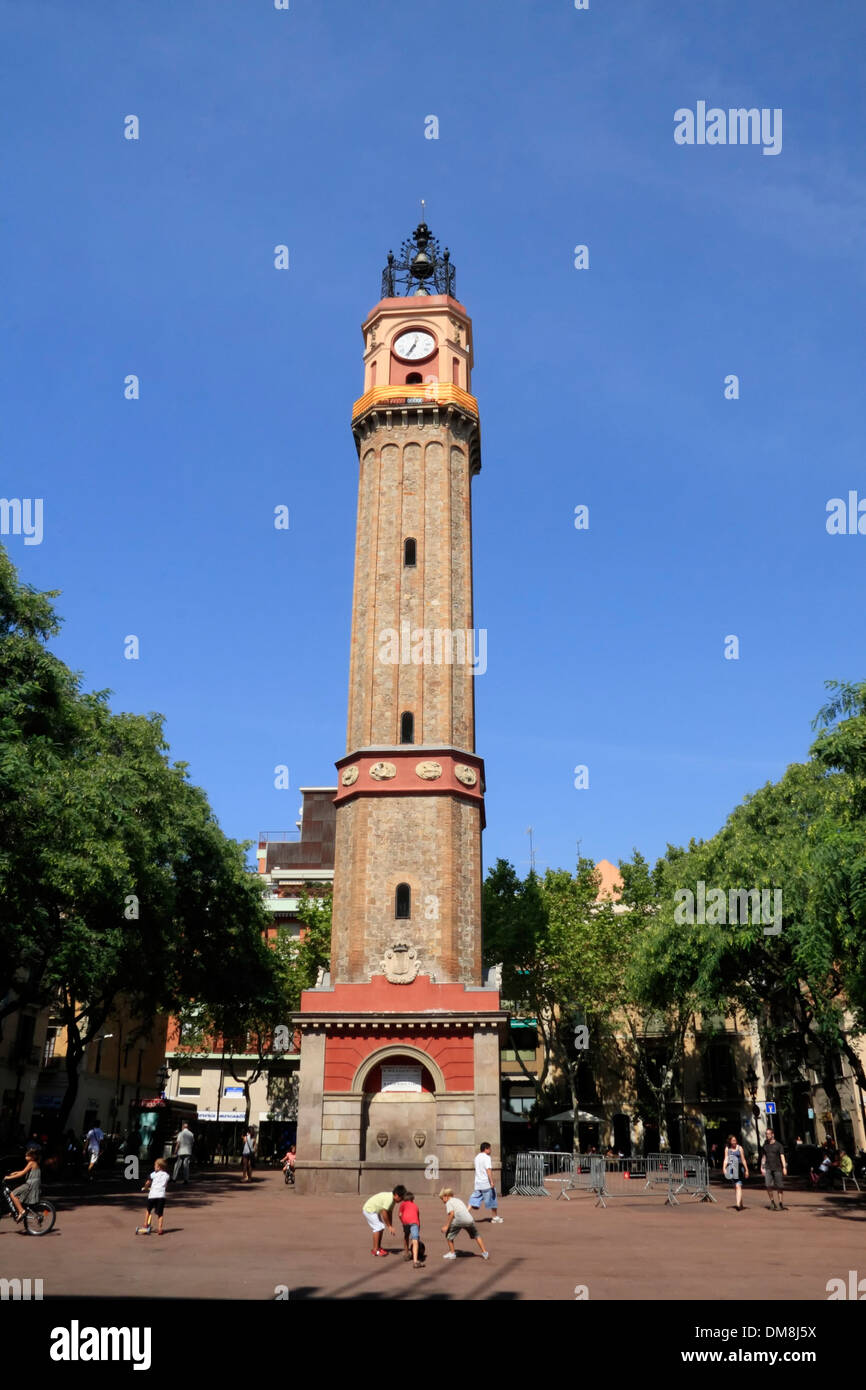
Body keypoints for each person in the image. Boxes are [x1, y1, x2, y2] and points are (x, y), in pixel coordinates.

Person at [439, 1188, 490, 1260]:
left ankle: (452, 1253)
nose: (442, 1201)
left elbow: (451, 1214)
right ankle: (485, 1253)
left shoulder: (449, 1202)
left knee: (448, 1235)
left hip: (459, 1219)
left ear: (446, 1196)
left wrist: (447, 1226)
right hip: (469, 1219)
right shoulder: (458, 1200)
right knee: (476, 1235)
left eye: (442, 1199)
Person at [362, 1185, 406, 1256]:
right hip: (369, 1210)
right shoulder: (389, 1199)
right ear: (396, 1195)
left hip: (375, 1210)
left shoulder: (393, 1200)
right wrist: (389, 1226)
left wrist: (390, 1226)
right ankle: (375, 1250)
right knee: (377, 1227)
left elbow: (389, 1212)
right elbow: (384, 1213)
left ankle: (378, 1248)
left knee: (381, 1227)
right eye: (401, 1198)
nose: (401, 1200)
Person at [468, 1140, 504, 1223]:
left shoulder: (476, 1157)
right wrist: (491, 1181)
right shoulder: (487, 1158)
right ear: (486, 1149)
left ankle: (465, 1214)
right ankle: (494, 1217)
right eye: (490, 1149)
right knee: (493, 1199)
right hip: (486, 1183)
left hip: (478, 1183)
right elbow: (488, 1170)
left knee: (474, 1199)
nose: (490, 1151)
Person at [4, 1146, 42, 1222]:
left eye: (27, 1155)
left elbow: (21, 1174)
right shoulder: (33, 1163)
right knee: (18, 1195)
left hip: (30, 1185)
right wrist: (15, 1172)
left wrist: (8, 1178)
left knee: (13, 1194)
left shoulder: (31, 1163)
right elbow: (23, 1171)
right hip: (32, 1184)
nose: (25, 1157)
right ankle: (16, 1210)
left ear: (32, 1157)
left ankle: (21, 1211)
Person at [137, 1157, 170, 1236]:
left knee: (148, 1210)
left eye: (155, 1165)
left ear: (158, 1167)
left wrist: (145, 1187)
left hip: (152, 1195)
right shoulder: (167, 1175)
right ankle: (160, 1229)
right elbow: (165, 1184)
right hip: (161, 1196)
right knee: (160, 1213)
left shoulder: (153, 1174)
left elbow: (148, 1182)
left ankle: (145, 1224)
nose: (154, 1166)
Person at [761, 1127, 788, 1210]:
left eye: (768, 1134)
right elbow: (764, 1156)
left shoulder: (778, 1145)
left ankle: (780, 1203)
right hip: (768, 1168)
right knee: (768, 1185)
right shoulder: (765, 1145)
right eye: (766, 1134)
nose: (767, 1135)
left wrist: (784, 1167)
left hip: (777, 1168)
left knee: (779, 1186)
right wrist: (762, 1166)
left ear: (772, 1134)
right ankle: (772, 1202)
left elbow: (782, 1156)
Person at [723, 1133, 749, 1209]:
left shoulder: (740, 1148)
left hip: (739, 1169)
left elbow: (743, 1159)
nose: (734, 1142)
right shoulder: (727, 1149)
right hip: (731, 1169)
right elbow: (726, 1159)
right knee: (736, 1187)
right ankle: (740, 1202)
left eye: (735, 1140)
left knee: (738, 1186)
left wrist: (746, 1170)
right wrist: (724, 1168)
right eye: (733, 1140)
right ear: (730, 1141)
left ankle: (737, 1204)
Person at [398, 1190, 422, 1268]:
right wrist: (418, 1227)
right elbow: (417, 1218)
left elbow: (400, 1214)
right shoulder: (415, 1206)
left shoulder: (402, 1204)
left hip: (405, 1222)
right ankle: (415, 1261)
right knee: (415, 1240)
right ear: (412, 1199)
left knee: (406, 1236)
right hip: (414, 1222)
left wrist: (403, 1222)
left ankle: (406, 1253)